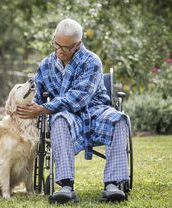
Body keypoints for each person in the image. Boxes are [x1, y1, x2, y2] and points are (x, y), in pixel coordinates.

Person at [16, 18, 129, 203]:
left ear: (78, 45)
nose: (59, 50)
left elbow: (79, 98)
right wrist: (25, 110)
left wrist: (44, 108)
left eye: (66, 47)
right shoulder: (45, 65)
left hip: (95, 111)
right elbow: (37, 98)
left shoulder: (91, 61)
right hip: (67, 118)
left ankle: (113, 184)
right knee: (58, 119)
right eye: (56, 44)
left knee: (119, 119)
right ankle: (66, 186)